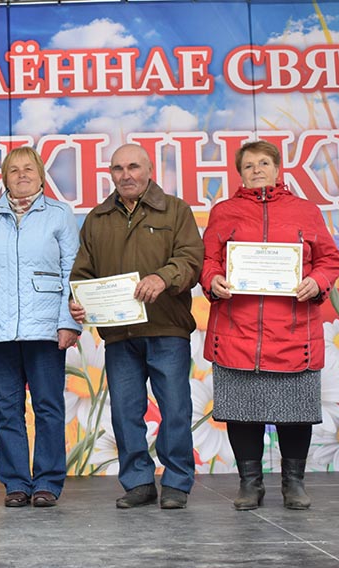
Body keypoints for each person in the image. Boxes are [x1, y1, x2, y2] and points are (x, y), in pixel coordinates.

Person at [200, 140, 339, 510]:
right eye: (249, 165)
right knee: (241, 413)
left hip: (293, 333)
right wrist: (213, 279)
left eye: (264, 163)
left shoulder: (306, 211)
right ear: (240, 173)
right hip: (237, 331)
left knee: (295, 414)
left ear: (278, 169)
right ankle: (250, 485)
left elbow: (330, 259)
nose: (257, 170)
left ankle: (293, 484)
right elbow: (207, 260)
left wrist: (317, 282)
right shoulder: (223, 212)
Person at [69, 143, 203, 510]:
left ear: (149, 171)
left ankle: (176, 482)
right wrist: (78, 301)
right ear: (110, 174)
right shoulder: (97, 219)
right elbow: (82, 273)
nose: (125, 175)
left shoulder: (176, 210)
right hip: (119, 335)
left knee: (175, 409)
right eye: (118, 168)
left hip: (166, 328)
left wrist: (163, 277)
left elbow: (191, 260)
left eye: (133, 167)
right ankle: (138, 483)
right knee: (125, 412)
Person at [0, 146, 80, 508]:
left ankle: (47, 482)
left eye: (29, 168)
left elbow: (73, 271)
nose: (22, 175)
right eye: (14, 170)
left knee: (48, 407)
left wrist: (68, 323)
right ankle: (15, 483)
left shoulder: (59, 214)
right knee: (7, 409)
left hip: (46, 329)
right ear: (4, 178)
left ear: (41, 176)